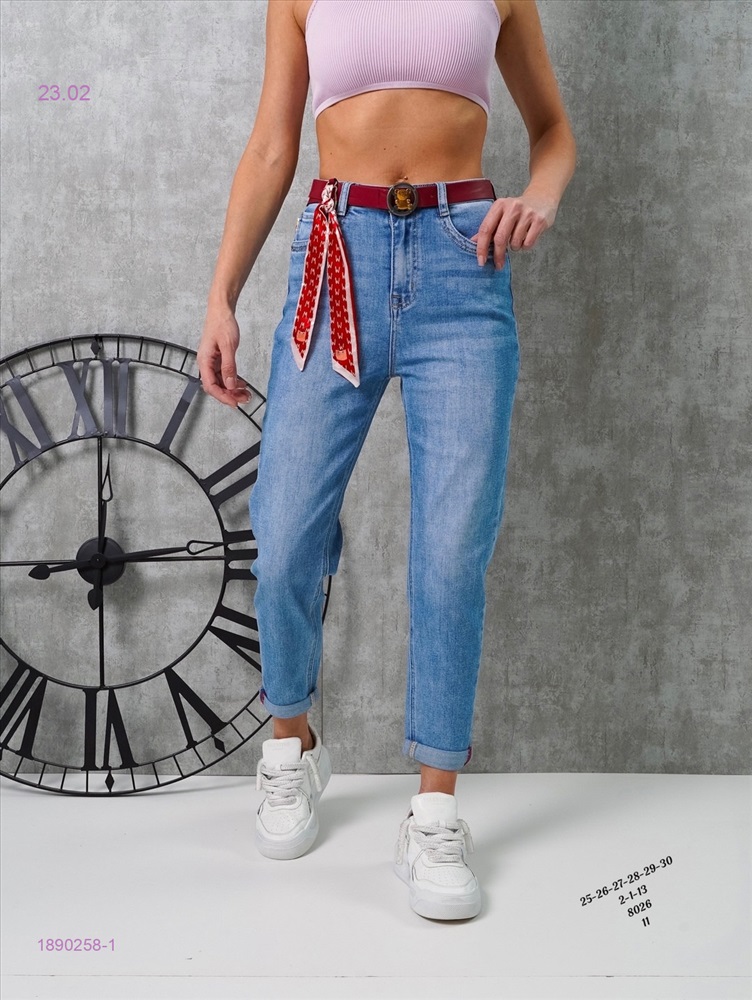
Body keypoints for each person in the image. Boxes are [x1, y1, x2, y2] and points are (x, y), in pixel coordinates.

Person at [197, 0, 576, 921]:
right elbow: (272, 148)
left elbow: (553, 132)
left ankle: (434, 812)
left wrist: (540, 196)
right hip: (338, 254)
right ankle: (293, 743)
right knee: (285, 531)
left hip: (463, 262)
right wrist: (221, 298)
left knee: (451, 550)